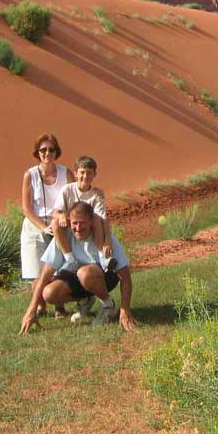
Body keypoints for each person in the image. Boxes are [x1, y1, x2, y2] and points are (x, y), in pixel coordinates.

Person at [20, 201, 136, 333]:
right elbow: (45, 274)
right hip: (80, 278)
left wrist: (125, 309)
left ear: (91, 221)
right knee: (49, 293)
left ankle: (108, 305)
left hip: (103, 277)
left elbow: (125, 276)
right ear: (69, 222)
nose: (78, 227)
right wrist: (31, 310)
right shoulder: (64, 237)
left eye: (82, 222)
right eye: (74, 223)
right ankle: (85, 299)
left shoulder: (104, 238)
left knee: (84, 273)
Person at [20, 133, 74, 317]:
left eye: (51, 149)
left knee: (60, 270)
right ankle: (41, 306)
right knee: (38, 275)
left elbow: (74, 201)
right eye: (43, 150)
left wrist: (63, 218)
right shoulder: (30, 175)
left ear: (56, 151)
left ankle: (59, 306)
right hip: (35, 226)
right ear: (37, 152)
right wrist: (43, 227)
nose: (47, 153)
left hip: (59, 224)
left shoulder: (65, 173)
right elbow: (27, 209)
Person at [49, 155, 112, 273]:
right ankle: (70, 259)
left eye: (89, 173)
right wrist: (61, 215)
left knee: (97, 218)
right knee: (54, 223)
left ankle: (103, 258)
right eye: (82, 172)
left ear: (94, 175)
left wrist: (108, 240)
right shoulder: (67, 190)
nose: (85, 176)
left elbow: (103, 219)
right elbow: (55, 212)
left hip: (89, 227)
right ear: (76, 173)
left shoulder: (97, 194)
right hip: (70, 226)